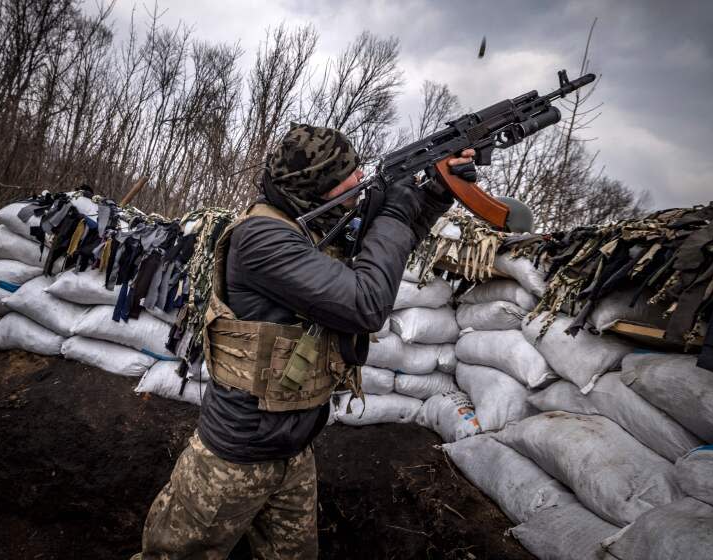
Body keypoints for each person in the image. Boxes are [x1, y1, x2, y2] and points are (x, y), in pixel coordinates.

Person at [136, 124, 476, 559]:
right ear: (315, 185)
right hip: (234, 458)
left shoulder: (315, 226)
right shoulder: (261, 237)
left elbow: (389, 251)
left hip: (294, 452)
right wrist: (393, 212)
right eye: (347, 174)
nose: (359, 180)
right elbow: (365, 303)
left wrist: (434, 193)